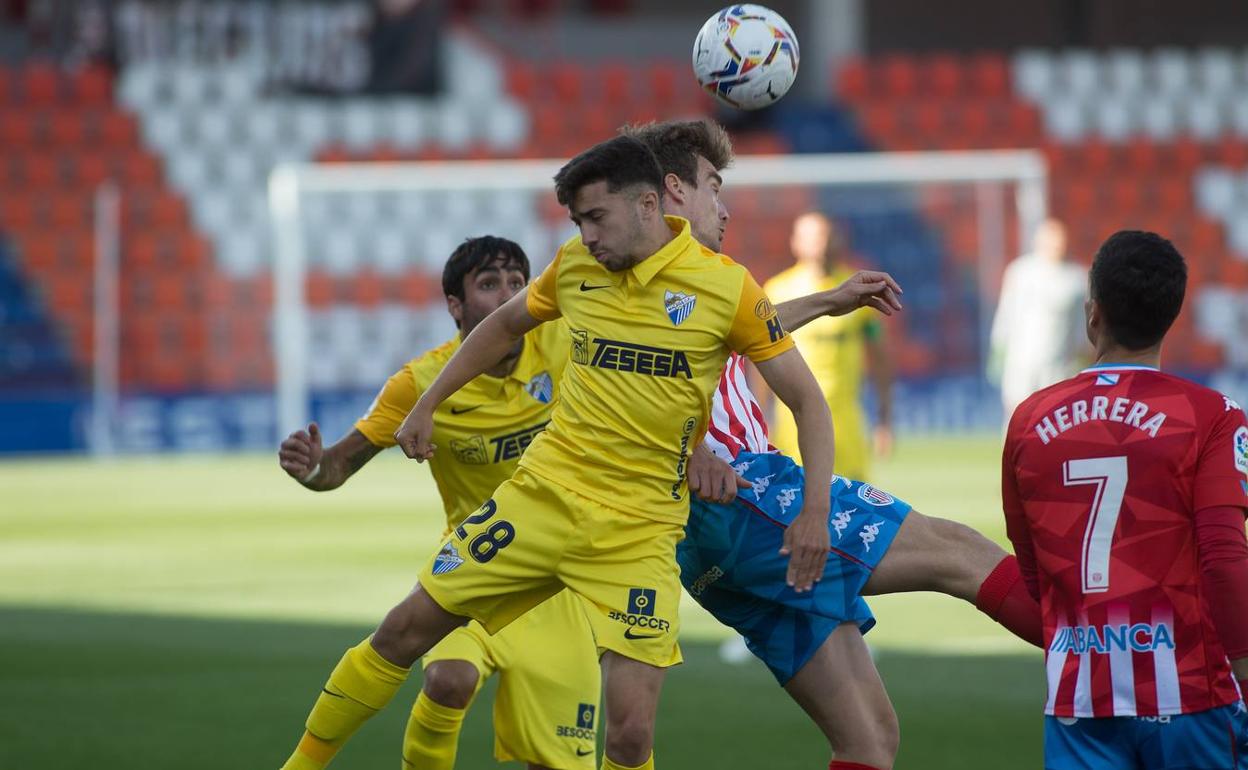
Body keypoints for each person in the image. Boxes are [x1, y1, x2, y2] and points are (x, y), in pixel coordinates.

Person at [277, 134, 836, 770]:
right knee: (403, 631)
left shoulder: (725, 288)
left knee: (629, 736)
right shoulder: (575, 267)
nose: (586, 235)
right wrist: (428, 403)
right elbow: (504, 324)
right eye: (578, 221)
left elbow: (807, 401)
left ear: (649, 204)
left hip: (640, 529)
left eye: (596, 217)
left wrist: (813, 509)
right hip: (542, 498)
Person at [623, 118, 1044, 770]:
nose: (724, 206)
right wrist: (689, 451)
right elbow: (608, 378)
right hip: (745, 499)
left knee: (870, 742)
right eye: (713, 186)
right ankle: (1126, 662)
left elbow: (737, 332)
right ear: (673, 190)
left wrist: (828, 300)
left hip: (713, 544)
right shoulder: (643, 278)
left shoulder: (696, 279)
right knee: (959, 552)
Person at [276, 236, 599, 770]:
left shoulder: (566, 344)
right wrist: (313, 467)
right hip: (478, 558)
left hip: (556, 583)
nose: (508, 295)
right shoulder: (422, 383)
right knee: (448, 678)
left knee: (557, 761)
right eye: (489, 284)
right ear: (455, 305)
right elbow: (338, 466)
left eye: (518, 282)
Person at [1002, 230, 1248, 769]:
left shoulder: (1028, 420)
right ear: (1170, 317)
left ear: (1093, 315)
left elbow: (1032, 571)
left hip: (1080, 696)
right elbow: (1225, 557)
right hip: (1190, 692)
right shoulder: (1213, 416)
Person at [762, 211, 893, 480]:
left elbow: (879, 356)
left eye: (826, 235)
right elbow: (759, 360)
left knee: (852, 510)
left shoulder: (857, 290)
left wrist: (884, 418)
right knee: (797, 504)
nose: (821, 243)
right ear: (795, 243)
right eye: (812, 237)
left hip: (845, 422)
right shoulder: (777, 290)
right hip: (792, 422)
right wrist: (764, 418)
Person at [988, 218, 1087, 421]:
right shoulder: (1020, 272)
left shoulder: (1077, 279)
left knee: (1053, 421)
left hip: (1059, 366)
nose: (1055, 245)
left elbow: (1081, 325)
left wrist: (1081, 355)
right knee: (1017, 417)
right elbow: (1006, 313)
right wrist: (998, 348)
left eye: (1059, 240)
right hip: (1021, 362)